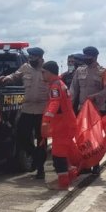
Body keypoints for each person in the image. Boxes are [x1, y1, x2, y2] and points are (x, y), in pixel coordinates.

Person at [0, 47, 49, 179]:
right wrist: (6, 78)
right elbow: (15, 75)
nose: (30, 59)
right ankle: (34, 155)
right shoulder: (25, 67)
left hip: (42, 111)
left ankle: (40, 169)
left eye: (33, 57)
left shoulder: (47, 69)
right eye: (29, 57)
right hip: (27, 109)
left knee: (41, 140)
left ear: (40, 58)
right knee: (21, 136)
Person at [41, 61, 78, 190]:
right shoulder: (59, 84)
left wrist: (46, 121)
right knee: (64, 153)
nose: (42, 75)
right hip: (65, 124)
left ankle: (63, 182)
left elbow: (54, 104)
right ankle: (70, 174)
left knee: (58, 154)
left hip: (63, 126)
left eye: (43, 72)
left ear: (50, 72)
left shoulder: (56, 86)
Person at [70, 46, 106, 174]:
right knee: (83, 138)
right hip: (82, 110)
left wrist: (95, 97)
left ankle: (96, 163)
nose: (86, 59)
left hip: (97, 110)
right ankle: (85, 164)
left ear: (95, 57)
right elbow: (73, 90)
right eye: (85, 56)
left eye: (89, 57)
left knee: (96, 138)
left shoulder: (103, 72)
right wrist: (69, 106)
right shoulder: (79, 71)